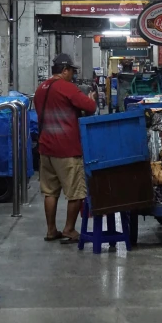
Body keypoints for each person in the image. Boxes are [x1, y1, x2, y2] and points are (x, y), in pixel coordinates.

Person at [34, 53, 97, 244]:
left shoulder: (41, 88)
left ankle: (51, 230)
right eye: (71, 71)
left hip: (46, 147)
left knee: (50, 191)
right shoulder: (66, 88)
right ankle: (69, 229)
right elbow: (90, 107)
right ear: (64, 70)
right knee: (76, 191)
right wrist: (91, 98)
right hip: (67, 149)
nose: (73, 75)